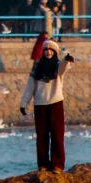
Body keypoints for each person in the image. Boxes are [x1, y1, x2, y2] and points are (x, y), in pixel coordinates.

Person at [20, 40, 74, 172]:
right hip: (40, 105)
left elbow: (63, 67)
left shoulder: (57, 66)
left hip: (56, 104)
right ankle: (43, 165)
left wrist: (67, 60)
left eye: (51, 50)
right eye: (46, 50)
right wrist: (23, 104)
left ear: (55, 52)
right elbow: (30, 87)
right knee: (42, 137)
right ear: (43, 51)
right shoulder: (37, 67)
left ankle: (57, 165)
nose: (48, 52)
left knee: (57, 135)